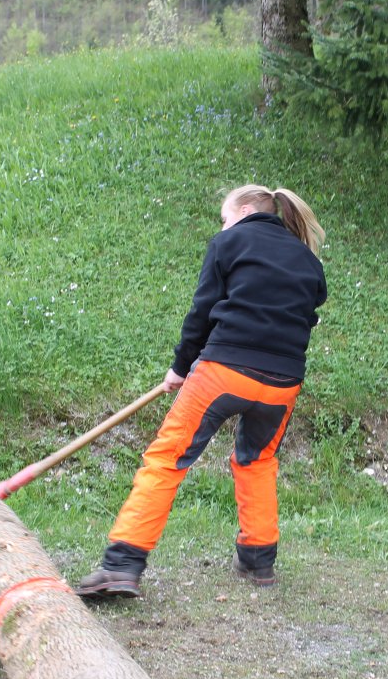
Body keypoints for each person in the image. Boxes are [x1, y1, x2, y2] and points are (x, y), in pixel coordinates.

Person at [76, 184, 327, 599]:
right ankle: (258, 560)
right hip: (283, 383)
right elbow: (308, 312)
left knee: (167, 458)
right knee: (258, 461)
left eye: (225, 218)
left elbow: (203, 311)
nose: (223, 226)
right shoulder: (307, 260)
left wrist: (180, 367)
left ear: (244, 211)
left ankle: (121, 566)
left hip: (225, 371)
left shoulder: (229, 242)